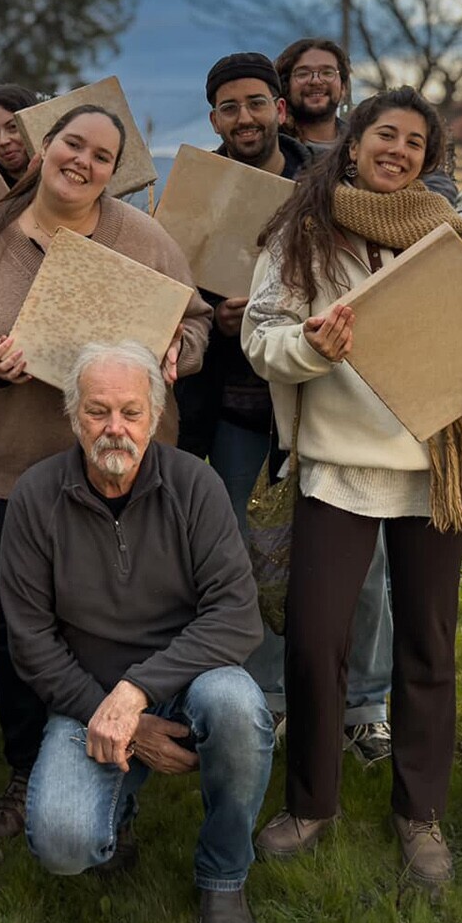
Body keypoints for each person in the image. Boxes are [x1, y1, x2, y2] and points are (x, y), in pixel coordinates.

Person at [242, 87, 462, 894]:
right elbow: (264, 340)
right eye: (384, 135)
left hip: (439, 462)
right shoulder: (302, 233)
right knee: (317, 638)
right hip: (339, 463)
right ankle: (311, 804)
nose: (397, 150)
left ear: (430, 160)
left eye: (414, 143)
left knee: (429, 642)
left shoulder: (457, 241)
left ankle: (419, 812)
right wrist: (314, 348)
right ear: (353, 143)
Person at [0, 103, 212, 844]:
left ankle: (141, 730)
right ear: (45, 147)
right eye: (72, 144)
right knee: (21, 628)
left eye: (103, 155)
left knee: (131, 610)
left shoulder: (143, 240)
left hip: (128, 469)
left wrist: (182, 349)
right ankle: (28, 765)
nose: (83, 162)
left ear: (117, 170)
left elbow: (196, 321)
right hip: (19, 469)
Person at [2, 342, 272, 923]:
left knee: (236, 705)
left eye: (130, 411)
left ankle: (223, 876)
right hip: (86, 698)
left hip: (191, 683)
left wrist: (138, 693)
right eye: (98, 412)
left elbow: (236, 614)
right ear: (74, 418)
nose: (114, 428)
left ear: (154, 415)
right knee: (64, 844)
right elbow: (31, 641)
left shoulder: (195, 486)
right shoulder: (35, 496)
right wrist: (117, 716)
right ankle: (114, 817)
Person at [174, 53, 313, 725]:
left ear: (280, 108)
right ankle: (265, 697)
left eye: (256, 103)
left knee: (328, 558)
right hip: (233, 410)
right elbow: (176, 286)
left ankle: (346, 699)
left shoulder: (321, 183)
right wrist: (216, 315)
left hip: (315, 406)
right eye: (229, 107)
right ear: (214, 119)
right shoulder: (201, 189)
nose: (245, 118)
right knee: (242, 561)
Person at [274, 38, 350, 151]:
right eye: (303, 74)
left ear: (343, 87)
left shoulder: (361, 145)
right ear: (286, 86)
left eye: (327, 73)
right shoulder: (270, 148)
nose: (316, 81)